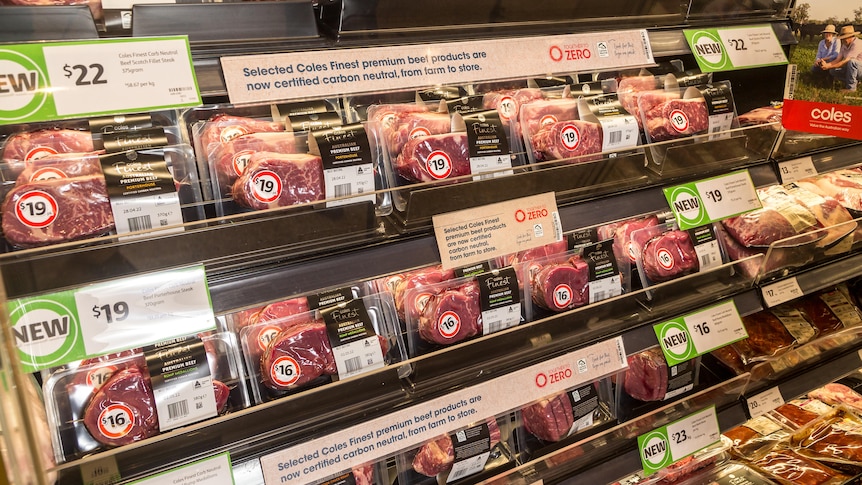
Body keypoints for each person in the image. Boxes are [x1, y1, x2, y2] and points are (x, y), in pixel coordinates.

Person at [822, 25, 862, 92]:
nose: (843, 40)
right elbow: (838, 60)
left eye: (845, 38)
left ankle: (851, 88)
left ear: (851, 37)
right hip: (852, 70)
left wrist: (828, 66)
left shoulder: (857, 43)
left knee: (852, 62)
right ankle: (855, 81)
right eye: (842, 38)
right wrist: (826, 65)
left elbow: (845, 61)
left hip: (860, 69)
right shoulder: (844, 45)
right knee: (833, 71)